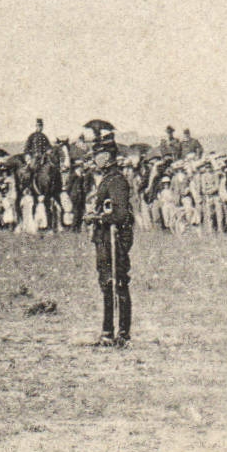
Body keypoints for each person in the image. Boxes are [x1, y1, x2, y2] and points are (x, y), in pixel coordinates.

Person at [84, 130, 135, 347]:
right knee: (107, 283)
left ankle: (120, 333)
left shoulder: (116, 180)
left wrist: (97, 217)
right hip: (104, 238)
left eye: (97, 154)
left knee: (117, 283)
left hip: (114, 239)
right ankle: (108, 331)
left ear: (106, 156)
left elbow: (120, 214)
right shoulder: (107, 179)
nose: (95, 158)